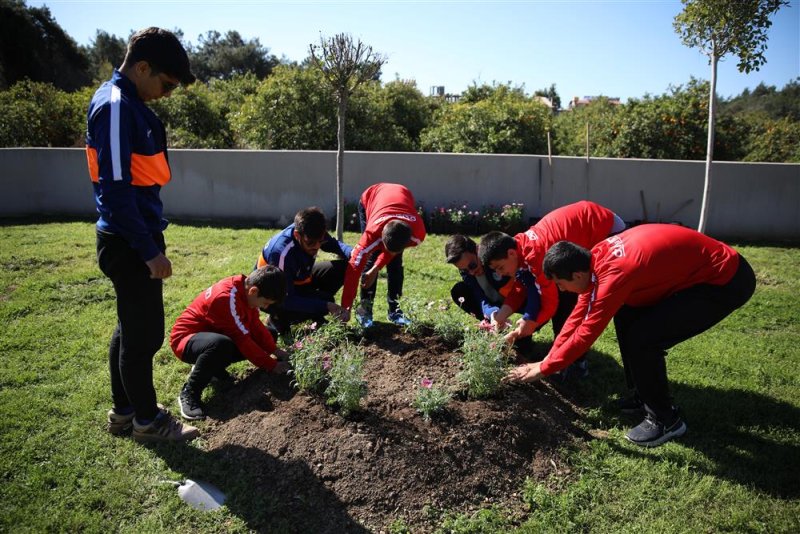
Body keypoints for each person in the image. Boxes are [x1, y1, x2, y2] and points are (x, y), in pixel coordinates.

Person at [506, 225, 756, 447]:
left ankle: (666, 420)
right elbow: (578, 316)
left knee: (643, 338)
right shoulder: (596, 256)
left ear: (577, 275)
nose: (561, 290)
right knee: (627, 315)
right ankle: (643, 395)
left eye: (560, 284)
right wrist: (550, 357)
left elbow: (586, 333)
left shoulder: (614, 274)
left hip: (725, 280)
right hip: (698, 272)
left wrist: (545, 367)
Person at [87, 27, 199, 442]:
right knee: (145, 335)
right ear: (143, 67)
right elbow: (115, 191)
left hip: (129, 236)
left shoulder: (127, 103)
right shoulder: (117, 106)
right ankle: (148, 422)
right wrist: (150, 252)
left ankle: (124, 412)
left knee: (129, 328)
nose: (166, 94)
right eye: (166, 84)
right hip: (129, 240)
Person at [478, 201, 625, 376]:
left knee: (570, 296)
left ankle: (576, 363)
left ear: (510, 253)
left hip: (605, 228)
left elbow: (550, 303)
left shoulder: (536, 255)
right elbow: (520, 286)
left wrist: (532, 322)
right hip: (586, 223)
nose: (500, 274)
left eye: (500, 267)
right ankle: (563, 356)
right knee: (565, 291)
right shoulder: (519, 248)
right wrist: (501, 315)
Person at [170, 266, 292, 420]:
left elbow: (254, 324)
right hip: (186, 340)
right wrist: (272, 365)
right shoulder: (225, 298)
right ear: (253, 291)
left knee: (270, 334)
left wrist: (276, 350)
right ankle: (190, 392)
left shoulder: (246, 290)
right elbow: (242, 340)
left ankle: (212, 368)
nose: (265, 307)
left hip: (215, 335)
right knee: (220, 345)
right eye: (265, 302)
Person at [341, 183, 426, 327]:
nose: (390, 253)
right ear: (381, 238)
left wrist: (377, 269)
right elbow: (353, 269)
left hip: (402, 193)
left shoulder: (417, 233)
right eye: (388, 248)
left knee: (395, 264)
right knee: (370, 258)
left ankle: (395, 311)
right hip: (372, 196)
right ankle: (365, 310)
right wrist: (346, 307)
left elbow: (392, 252)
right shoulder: (371, 235)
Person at [256, 207, 352, 335]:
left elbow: (333, 244)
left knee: (343, 268)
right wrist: (325, 305)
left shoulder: (312, 229)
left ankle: (314, 312)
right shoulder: (281, 253)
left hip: (299, 279)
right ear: (297, 235)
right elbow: (286, 299)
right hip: (275, 296)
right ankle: (277, 319)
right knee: (325, 302)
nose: (317, 246)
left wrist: (354, 253)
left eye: (320, 241)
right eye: (311, 243)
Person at [444, 234, 533, 326]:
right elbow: (479, 296)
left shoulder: (495, 256)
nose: (471, 272)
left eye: (472, 265)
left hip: (519, 296)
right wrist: (491, 313)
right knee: (459, 290)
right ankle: (491, 325)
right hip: (496, 301)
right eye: (464, 270)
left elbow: (521, 284)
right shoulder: (469, 273)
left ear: (477, 250)